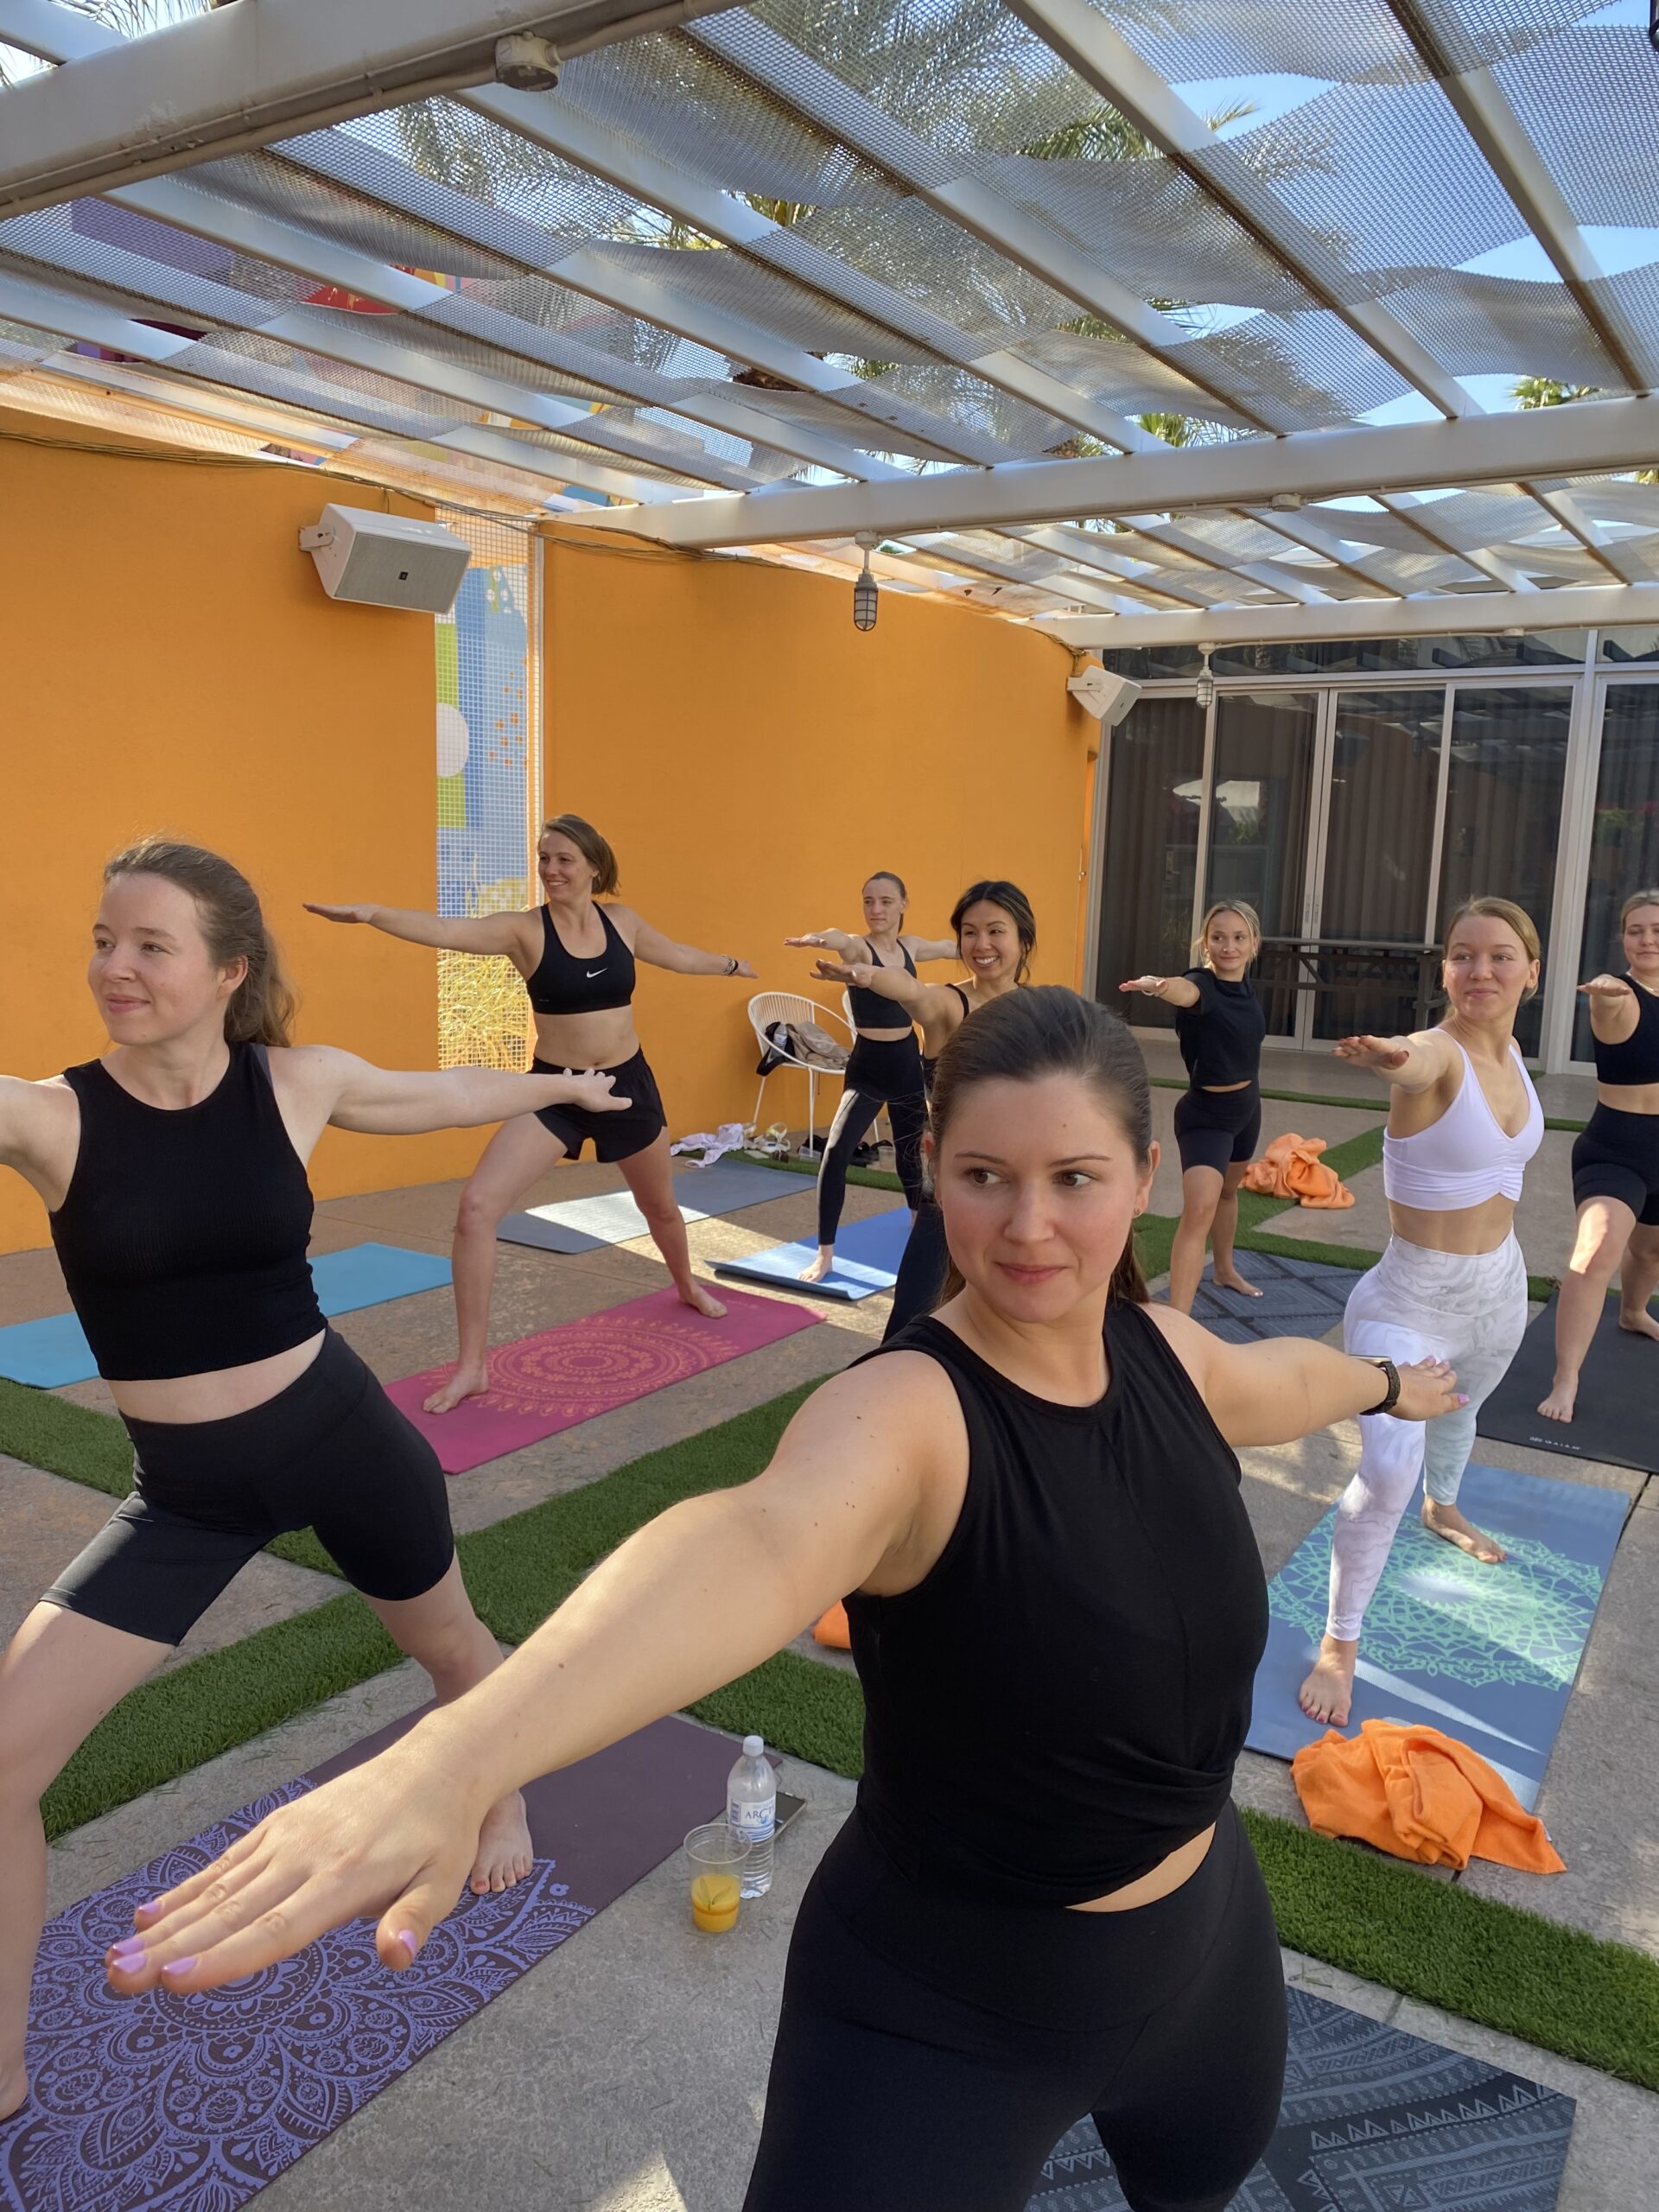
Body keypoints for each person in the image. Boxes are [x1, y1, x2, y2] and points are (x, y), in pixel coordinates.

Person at [107, 987, 1463, 2212]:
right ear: (931, 1171)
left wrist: (1393, 1385)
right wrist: (465, 1749)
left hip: (1205, 1947)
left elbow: (1280, 1382)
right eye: (984, 1176)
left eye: (1076, 1177)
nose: (1031, 1225)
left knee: (1200, 2186)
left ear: (1146, 1177)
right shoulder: (904, 1416)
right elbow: (752, 1543)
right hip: (942, 2011)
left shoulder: (1161, 1348)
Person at [0, 837, 632, 2126]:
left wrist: (556, 1083)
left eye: (150, 944)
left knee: (454, 1653)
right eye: (105, 941)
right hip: (185, 1492)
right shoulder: (49, 1115)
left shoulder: (293, 1082)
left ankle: (497, 1782)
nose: (115, 967)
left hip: (338, 1431)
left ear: (227, 970)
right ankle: (2, 2070)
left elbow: (438, 1095)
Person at [306, 814, 755, 1413]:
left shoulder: (622, 922)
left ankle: (686, 1284)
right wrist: (373, 914)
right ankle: (473, 1367)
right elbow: (447, 930)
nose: (551, 870)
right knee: (476, 1208)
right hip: (555, 1091)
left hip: (627, 1086)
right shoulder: (524, 932)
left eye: (564, 859)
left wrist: (728, 964)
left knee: (660, 1207)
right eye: (544, 859)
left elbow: (675, 956)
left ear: (595, 865)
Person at [1298, 897, 1544, 1730]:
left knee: (1462, 1416)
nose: (1480, 971)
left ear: (1529, 973)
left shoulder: (1514, 1058)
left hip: (1499, 1291)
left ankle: (1445, 1507)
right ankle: (1340, 1641)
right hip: (1409, 1303)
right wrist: (1388, 1058)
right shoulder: (1437, 1054)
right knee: (1387, 1470)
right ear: (1444, 970)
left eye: (1500, 957)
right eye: (1463, 956)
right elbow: (1416, 1061)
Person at [809, 879, 1035, 1339]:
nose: (982, 944)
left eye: (996, 931)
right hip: (957, 1193)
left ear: (1022, 938)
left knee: (1015, 1326)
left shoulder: (1038, 1009)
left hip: (1022, 1194)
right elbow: (914, 992)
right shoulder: (950, 1004)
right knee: (909, 1325)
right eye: (969, 932)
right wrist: (870, 976)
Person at [784, 871, 955, 1282]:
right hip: (867, 1066)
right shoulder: (860, 948)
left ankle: (918, 1221)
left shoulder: (911, 947)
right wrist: (815, 939)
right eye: (868, 901)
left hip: (906, 1063)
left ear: (903, 905)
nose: (876, 909)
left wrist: (989, 945)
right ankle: (825, 1255)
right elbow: (839, 938)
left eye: (885, 901)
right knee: (837, 1151)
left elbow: (952, 946)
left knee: (914, 1153)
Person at [1538, 888, 1659, 1422]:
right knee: (1594, 1253)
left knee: (1651, 1253)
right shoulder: (1619, 996)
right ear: (1623, 938)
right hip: (1617, 1149)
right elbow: (1610, 998)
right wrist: (1607, 990)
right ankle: (1567, 1377)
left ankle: (1633, 1312)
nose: (1647, 939)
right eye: (1636, 930)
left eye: (1657, 930)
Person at [1121, 900, 1266, 1313]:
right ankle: (1179, 1319)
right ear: (1206, 943)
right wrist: (1158, 985)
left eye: (1239, 938)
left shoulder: (1246, 988)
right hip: (1206, 1116)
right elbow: (1185, 991)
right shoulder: (1202, 984)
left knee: (1228, 1193)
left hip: (1247, 1108)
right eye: (1218, 937)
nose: (1228, 946)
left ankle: (1224, 1268)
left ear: (1254, 944)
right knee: (1199, 1210)